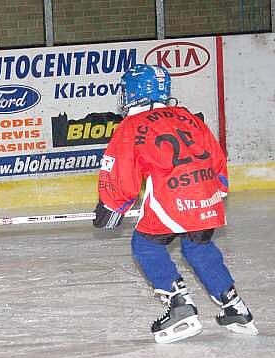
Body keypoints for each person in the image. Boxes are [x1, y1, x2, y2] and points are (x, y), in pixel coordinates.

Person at [92, 63, 258, 343]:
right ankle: (235, 308)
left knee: (145, 246)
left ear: (134, 91)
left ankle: (180, 306)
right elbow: (217, 159)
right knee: (198, 247)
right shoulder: (187, 116)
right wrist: (214, 192)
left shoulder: (131, 126)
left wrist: (110, 208)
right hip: (207, 195)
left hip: (171, 200)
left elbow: (121, 173)